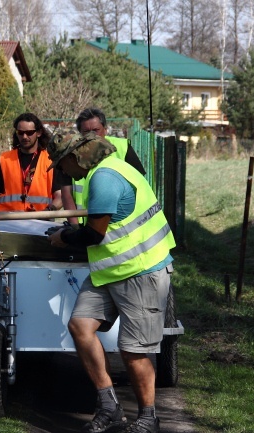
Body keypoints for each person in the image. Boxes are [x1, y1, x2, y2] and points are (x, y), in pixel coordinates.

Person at [46, 128, 175, 433]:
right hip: (112, 270)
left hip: (141, 271)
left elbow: (93, 234)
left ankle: (148, 418)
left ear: (75, 157)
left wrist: (63, 237)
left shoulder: (104, 178)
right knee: (80, 325)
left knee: (133, 350)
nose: (62, 172)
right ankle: (109, 406)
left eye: (61, 164)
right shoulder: (101, 172)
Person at [60, 107, 146, 226]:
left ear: (105, 130)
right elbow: (66, 194)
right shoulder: (71, 156)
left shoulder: (123, 147)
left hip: (125, 225)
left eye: (96, 130)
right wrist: (75, 227)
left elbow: (140, 185)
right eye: (86, 131)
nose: (91, 135)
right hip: (86, 227)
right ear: (79, 133)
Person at [0, 112, 63, 212]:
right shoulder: (4, 160)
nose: (24, 137)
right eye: (20, 132)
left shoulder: (50, 160)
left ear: (39, 133)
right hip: (8, 223)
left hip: (41, 222)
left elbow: (60, 197)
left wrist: (48, 211)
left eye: (29, 133)